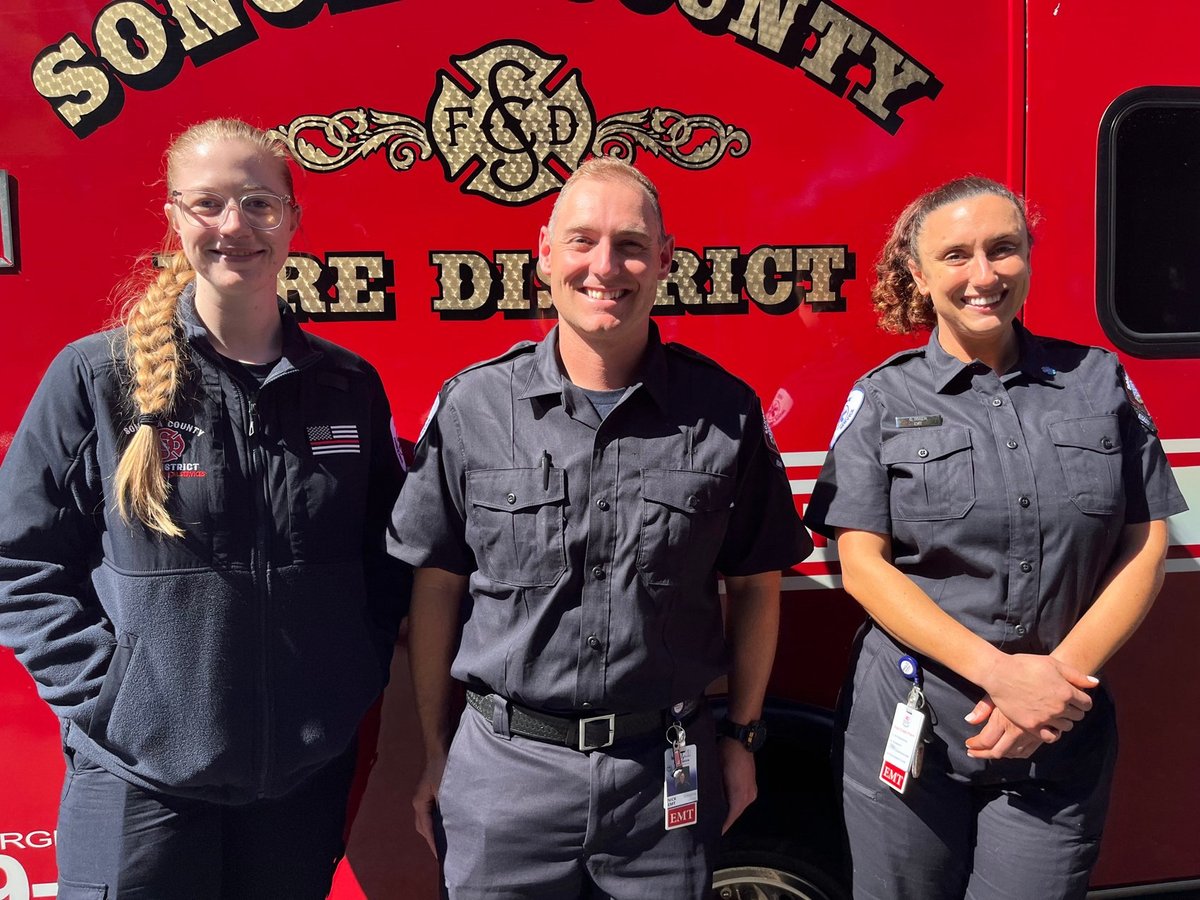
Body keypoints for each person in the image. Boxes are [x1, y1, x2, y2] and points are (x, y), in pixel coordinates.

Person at [0, 118, 408, 898]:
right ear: (175, 218)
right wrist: (112, 694)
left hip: (299, 784)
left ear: (293, 220)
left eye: (259, 203)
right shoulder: (97, 378)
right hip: (139, 788)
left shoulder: (346, 385)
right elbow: (17, 559)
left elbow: (385, 557)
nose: (235, 227)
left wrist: (345, 672)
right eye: (209, 203)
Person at [389, 157, 811, 898]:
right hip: (506, 776)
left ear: (665, 262)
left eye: (630, 245)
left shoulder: (727, 413)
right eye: (582, 241)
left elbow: (755, 586)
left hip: (664, 776)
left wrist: (741, 736)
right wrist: (434, 749)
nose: (604, 267)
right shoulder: (472, 408)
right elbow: (436, 590)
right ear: (544, 254)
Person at [804, 176, 1188, 900]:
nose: (983, 276)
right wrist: (1001, 674)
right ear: (918, 273)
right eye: (956, 256)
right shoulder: (883, 397)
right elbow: (860, 563)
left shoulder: (1098, 381)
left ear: (1029, 257)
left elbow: (1145, 543)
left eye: (1003, 250)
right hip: (914, 736)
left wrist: (1053, 683)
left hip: (1057, 737)